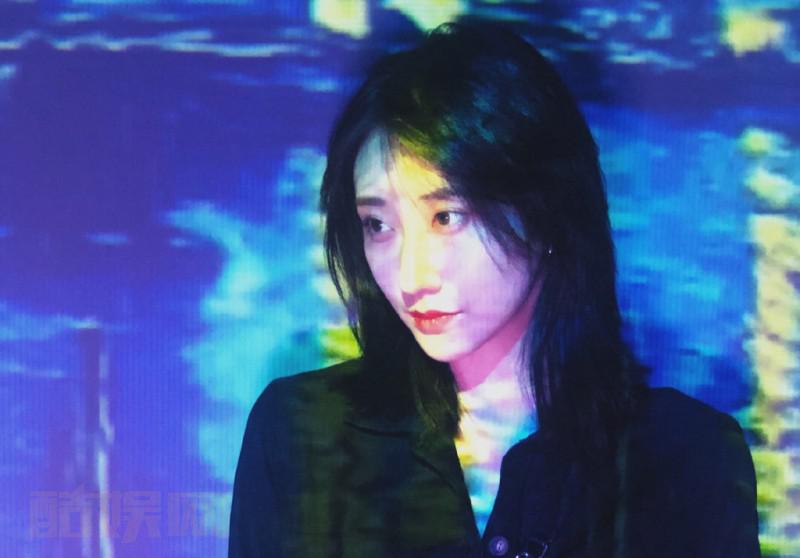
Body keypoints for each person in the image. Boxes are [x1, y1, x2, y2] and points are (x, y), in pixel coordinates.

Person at [228, 19, 760, 558]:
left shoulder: (685, 456)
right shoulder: (301, 435)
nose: (412, 275)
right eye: (379, 225)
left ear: (545, 208)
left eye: (447, 217)